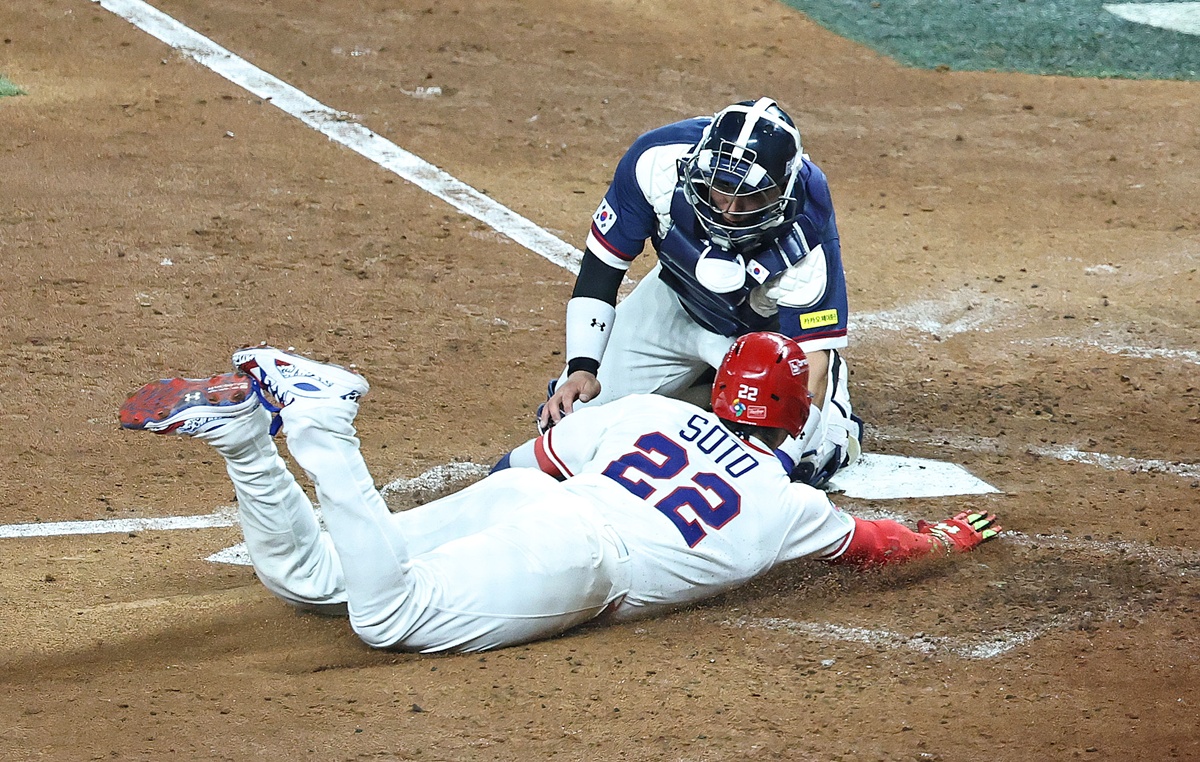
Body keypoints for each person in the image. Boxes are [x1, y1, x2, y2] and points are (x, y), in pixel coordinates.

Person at [119, 335, 1000, 654]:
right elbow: (879, 544)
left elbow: (520, 464)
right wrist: (950, 539)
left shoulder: (650, 409)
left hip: (531, 504)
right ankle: (324, 424)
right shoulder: (790, 504)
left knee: (318, 580)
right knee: (387, 620)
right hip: (580, 560)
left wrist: (462, 532)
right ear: (792, 417)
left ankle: (244, 439)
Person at [539, 97, 861, 488]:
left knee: (797, 465)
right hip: (676, 302)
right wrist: (582, 369)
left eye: (751, 195)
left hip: (763, 341)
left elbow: (810, 359)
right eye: (722, 188)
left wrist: (780, 460)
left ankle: (835, 417)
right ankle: (710, 392)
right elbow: (602, 268)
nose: (730, 210)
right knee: (572, 428)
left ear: (781, 191)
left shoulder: (807, 231)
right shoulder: (656, 163)